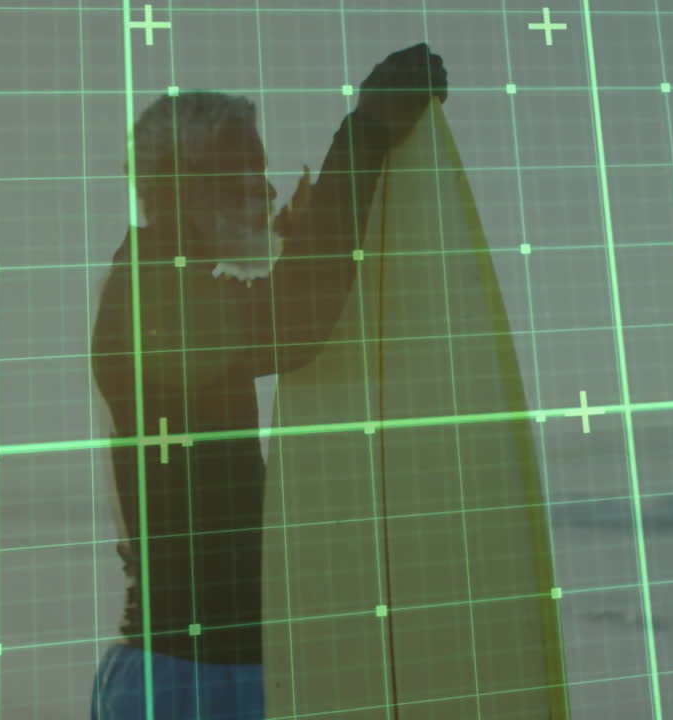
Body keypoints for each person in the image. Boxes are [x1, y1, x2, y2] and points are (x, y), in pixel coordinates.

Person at [88, 44, 448, 719]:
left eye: (262, 169)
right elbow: (298, 317)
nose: (266, 189)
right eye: (240, 172)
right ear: (171, 184)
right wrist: (363, 134)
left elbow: (271, 299)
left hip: (212, 670)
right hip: (188, 681)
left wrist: (302, 230)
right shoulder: (149, 298)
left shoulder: (162, 279)